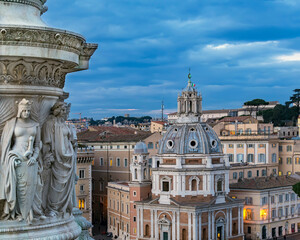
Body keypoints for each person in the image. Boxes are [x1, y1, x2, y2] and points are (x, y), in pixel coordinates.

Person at [0, 98, 43, 223]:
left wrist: (34, 157)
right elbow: (6, 144)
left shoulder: (36, 125)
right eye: (24, 111)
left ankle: (28, 213)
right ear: (19, 110)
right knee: (18, 188)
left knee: (30, 188)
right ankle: (18, 213)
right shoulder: (11, 124)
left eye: (28, 111)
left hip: (31, 161)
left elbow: (38, 144)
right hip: (15, 159)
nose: (27, 113)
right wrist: (11, 158)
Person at [42, 101, 75, 217]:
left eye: (64, 109)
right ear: (55, 110)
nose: (63, 112)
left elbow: (71, 141)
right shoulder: (50, 124)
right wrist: (47, 156)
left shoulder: (66, 125)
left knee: (64, 185)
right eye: (61, 109)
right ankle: (52, 208)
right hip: (57, 158)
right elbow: (46, 142)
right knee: (56, 185)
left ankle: (61, 207)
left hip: (67, 157)